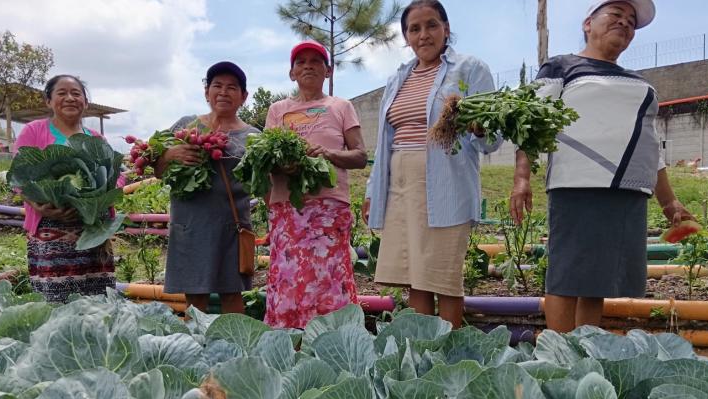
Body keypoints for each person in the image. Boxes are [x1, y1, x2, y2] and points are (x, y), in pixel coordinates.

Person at [510, 0, 695, 332]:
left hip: (628, 193)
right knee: (566, 277)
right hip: (576, 185)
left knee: (599, 282)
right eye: (616, 15)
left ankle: (587, 351)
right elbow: (530, 123)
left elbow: (651, 147)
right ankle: (558, 355)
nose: (625, 24)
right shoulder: (560, 68)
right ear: (588, 24)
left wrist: (670, 202)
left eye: (631, 22)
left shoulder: (642, 86)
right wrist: (522, 177)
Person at [363, 0, 501, 328]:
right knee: (415, 276)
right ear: (406, 37)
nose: (424, 34)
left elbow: (492, 139)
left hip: (445, 183)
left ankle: (448, 351)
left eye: (431, 25)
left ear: (446, 29)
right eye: (415, 28)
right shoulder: (398, 78)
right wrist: (373, 189)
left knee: (443, 277)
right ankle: (424, 352)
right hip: (400, 184)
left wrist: (477, 124)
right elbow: (384, 143)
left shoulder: (470, 69)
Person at [263, 40, 368, 329]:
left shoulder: (341, 106)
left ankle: (334, 339)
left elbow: (360, 156)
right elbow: (264, 155)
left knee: (329, 276)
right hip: (288, 207)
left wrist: (329, 154)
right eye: (301, 62)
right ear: (292, 73)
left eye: (316, 61)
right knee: (287, 276)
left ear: (328, 71)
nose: (308, 65)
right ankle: (287, 341)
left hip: (329, 209)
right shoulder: (277, 110)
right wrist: (283, 165)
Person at [155, 62, 259, 313]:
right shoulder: (186, 126)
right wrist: (169, 154)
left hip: (231, 226)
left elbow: (261, 183)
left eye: (232, 87)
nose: (224, 92)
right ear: (206, 92)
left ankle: (236, 350)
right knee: (195, 298)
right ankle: (196, 349)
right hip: (191, 224)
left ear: (243, 97)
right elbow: (158, 171)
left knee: (232, 297)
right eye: (217, 86)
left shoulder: (253, 136)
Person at [14, 75, 117, 302]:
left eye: (76, 93)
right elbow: (19, 176)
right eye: (61, 93)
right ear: (48, 101)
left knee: (99, 300)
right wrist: (40, 206)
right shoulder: (34, 131)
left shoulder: (96, 138)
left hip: (93, 231)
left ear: (85, 102)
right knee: (55, 299)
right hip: (51, 232)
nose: (70, 98)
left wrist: (100, 199)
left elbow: (114, 177)